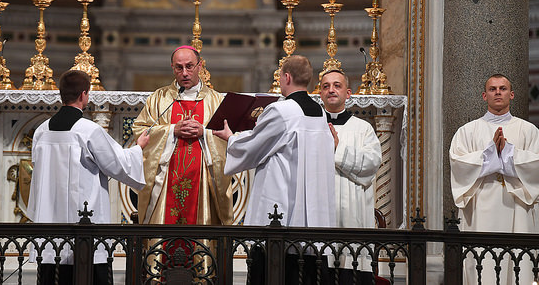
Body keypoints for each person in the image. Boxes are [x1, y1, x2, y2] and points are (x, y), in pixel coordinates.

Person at [214, 55, 336, 285]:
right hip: (313, 214)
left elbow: (254, 146)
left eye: (280, 76)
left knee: (275, 271)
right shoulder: (320, 112)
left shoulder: (280, 111)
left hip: (281, 210)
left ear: (287, 77)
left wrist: (231, 138)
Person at [28, 70, 148, 285]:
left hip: (49, 223)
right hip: (85, 226)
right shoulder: (88, 130)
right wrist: (138, 149)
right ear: (84, 95)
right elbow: (119, 164)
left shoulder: (41, 130)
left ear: (61, 93)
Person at [450, 74, 539, 284]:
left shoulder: (529, 131)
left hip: (518, 208)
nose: (497, 92)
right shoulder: (467, 132)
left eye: (502, 88)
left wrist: (509, 154)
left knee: (517, 265)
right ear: (484, 95)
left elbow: (536, 165)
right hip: (481, 209)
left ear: (512, 94)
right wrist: (489, 154)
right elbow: (458, 164)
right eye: (492, 89)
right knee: (484, 266)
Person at [132, 46, 233, 226]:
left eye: (190, 66)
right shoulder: (159, 98)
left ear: (200, 66)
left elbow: (230, 137)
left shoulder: (216, 100)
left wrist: (204, 132)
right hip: (165, 182)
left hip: (202, 182)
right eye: (179, 67)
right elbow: (140, 130)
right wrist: (171, 130)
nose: (185, 73)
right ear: (172, 67)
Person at [319, 70, 382, 285]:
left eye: (336, 85)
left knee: (351, 271)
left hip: (352, 213)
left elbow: (372, 163)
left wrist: (338, 149)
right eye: (326, 86)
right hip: (320, 214)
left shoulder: (363, 128)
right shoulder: (312, 127)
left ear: (348, 93)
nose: (331, 90)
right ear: (320, 93)